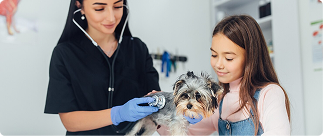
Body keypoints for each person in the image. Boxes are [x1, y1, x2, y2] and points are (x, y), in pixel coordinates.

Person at [158, 15, 291, 136]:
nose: (218, 64)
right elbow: (184, 132)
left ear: (251, 58)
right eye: (214, 55)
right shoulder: (220, 99)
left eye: (228, 58)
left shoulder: (269, 94)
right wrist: (156, 113)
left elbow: (278, 133)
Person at [44, 0, 160, 135]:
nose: (111, 17)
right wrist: (118, 114)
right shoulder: (64, 54)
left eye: (117, 6)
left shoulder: (138, 49)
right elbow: (70, 122)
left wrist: (179, 117)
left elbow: (157, 105)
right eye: (99, 8)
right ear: (79, 6)